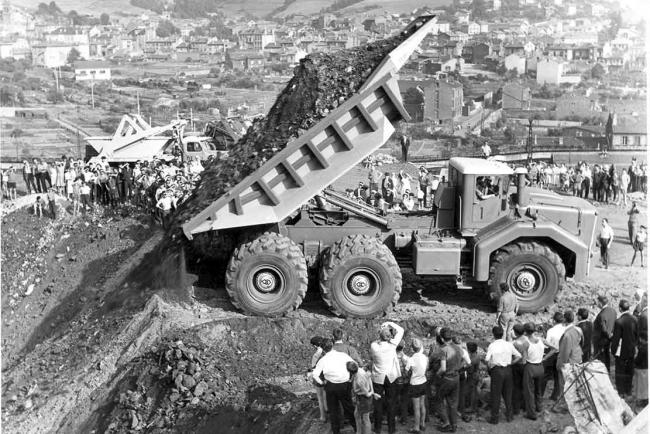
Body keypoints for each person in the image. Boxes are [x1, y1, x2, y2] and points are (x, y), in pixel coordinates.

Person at [312, 338, 357, 434]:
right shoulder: (343, 355)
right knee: (349, 408)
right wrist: (351, 378)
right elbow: (355, 365)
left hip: (331, 386)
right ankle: (357, 428)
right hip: (345, 384)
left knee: (333, 411)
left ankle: (336, 431)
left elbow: (315, 374)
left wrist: (322, 382)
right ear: (332, 345)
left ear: (322, 349)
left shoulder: (322, 360)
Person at [370, 321, 404, 434]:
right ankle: (391, 428)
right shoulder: (392, 345)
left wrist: (382, 329)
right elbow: (401, 330)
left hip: (378, 377)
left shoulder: (374, 346)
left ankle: (377, 428)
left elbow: (377, 340)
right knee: (391, 403)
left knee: (377, 403)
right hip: (390, 377)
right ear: (389, 337)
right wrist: (389, 323)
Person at [485, 325, 521, 424]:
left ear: (493, 335)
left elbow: (487, 360)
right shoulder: (509, 344)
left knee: (496, 395)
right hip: (508, 370)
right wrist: (511, 363)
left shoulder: (492, 345)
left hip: (497, 371)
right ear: (503, 334)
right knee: (508, 394)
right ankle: (509, 416)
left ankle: (494, 418)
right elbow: (519, 356)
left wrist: (490, 368)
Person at [435, 328, 466, 432]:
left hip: (447, 378)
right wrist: (457, 368)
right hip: (456, 377)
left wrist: (437, 374)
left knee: (439, 400)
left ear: (442, 339)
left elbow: (443, 368)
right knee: (453, 402)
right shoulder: (458, 348)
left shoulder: (443, 350)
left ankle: (446, 423)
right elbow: (464, 362)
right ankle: (454, 425)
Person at [611, 300, 638, 398]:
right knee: (629, 370)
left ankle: (621, 391)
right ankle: (628, 390)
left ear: (620, 308)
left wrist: (613, 351)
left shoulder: (619, 321)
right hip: (631, 349)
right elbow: (636, 335)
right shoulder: (635, 319)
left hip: (621, 351)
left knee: (620, 371)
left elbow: (616, 339)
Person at [556, 311, 583, 408]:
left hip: (569, 362)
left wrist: (560, 365)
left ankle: (565, 405)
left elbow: (565, 352)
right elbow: (581, 343)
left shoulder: (567, 335)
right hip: (577, 358)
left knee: (565, 385)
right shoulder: (578, 330)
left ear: (564, 319)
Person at [348, 361, 378, 434]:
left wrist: (373, 393)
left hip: (364, 398)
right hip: (361, 397)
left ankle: (367, 432)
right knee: (357, 414)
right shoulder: (360, 370)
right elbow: (369, 378)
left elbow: (367, 394)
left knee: (365, 418)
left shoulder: (359, 380)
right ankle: (359, 432)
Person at [542, 312, 566, 401]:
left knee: (545, 375)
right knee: (558, 375)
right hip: (561, 354)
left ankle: (540, 394)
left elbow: (547, 345)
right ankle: (555, 395)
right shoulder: (565, 329)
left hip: (551, 354)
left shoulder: (551, 331)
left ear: (554, 320)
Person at [406, 338, 428, 433]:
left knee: (416, 407)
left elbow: (406, 371)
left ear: (412, 348)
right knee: (422, 404)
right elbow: (426, 368)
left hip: (415, 383)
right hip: (423, 381)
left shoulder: (411, 359)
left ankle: (416, 427)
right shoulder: (425, 357)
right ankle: (422, 423)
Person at [523, 322, 544, 420]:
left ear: (526, 332)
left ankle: (531, 414)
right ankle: (539, 407)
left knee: (529, 391)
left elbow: (524, 360)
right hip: (540, 367)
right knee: (538, 389)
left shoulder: (526, 343)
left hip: (530, 367)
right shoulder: (541, 340)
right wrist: (544, 358)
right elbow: (555, 348)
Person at [593, 294, 617, 372]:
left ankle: (602, 374)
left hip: (601, 340)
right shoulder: (613, 311)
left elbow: (604, 329)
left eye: (597, 302)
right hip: (609, 338)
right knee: (607, 356)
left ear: (600, 303)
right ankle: (607, 371)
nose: (596, 304)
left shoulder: (601, 315)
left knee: (600, 358)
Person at [632, 298, 648, 412]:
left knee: (642, 386)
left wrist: (635, 361)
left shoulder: (644, 316)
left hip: (642, 364)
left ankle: (642, 405)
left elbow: (639, 358)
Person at [511, 323, 529, 416]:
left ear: (515, 332)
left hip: (517, 365)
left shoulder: (515, 343)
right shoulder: (527, 340)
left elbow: (512, 356)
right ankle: (525, 406)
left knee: (516, 387)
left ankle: (516, 409)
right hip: (526, 364)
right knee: (525, 386)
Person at [309, 336, 328, 422]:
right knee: (326, 396)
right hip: (328, 376)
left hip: (319, 377)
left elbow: (313, 368)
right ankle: (328, 409)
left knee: (320, 398)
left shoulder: (316, 355)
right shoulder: (328, 352)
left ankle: (323, 417)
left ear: (315, 345)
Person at [395, 343, 410, 425]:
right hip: (405, 382)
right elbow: (408, 370)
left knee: (395, 399)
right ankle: (404, 418)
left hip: (396, 382)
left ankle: (395, 416)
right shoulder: (406, 357)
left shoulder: (392, 357)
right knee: (404, 400)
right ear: (403, 347)